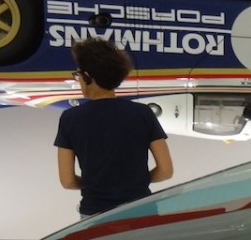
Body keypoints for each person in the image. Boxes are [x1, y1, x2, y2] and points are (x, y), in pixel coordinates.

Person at [54, 37, 173, 217]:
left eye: (78, 75)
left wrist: (95, 185)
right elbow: (165, 171)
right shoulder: (143, 113)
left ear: (87, 76)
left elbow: (67, 181)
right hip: (141, 211)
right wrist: (135, 182)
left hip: (95, 214)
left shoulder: (70, 118)